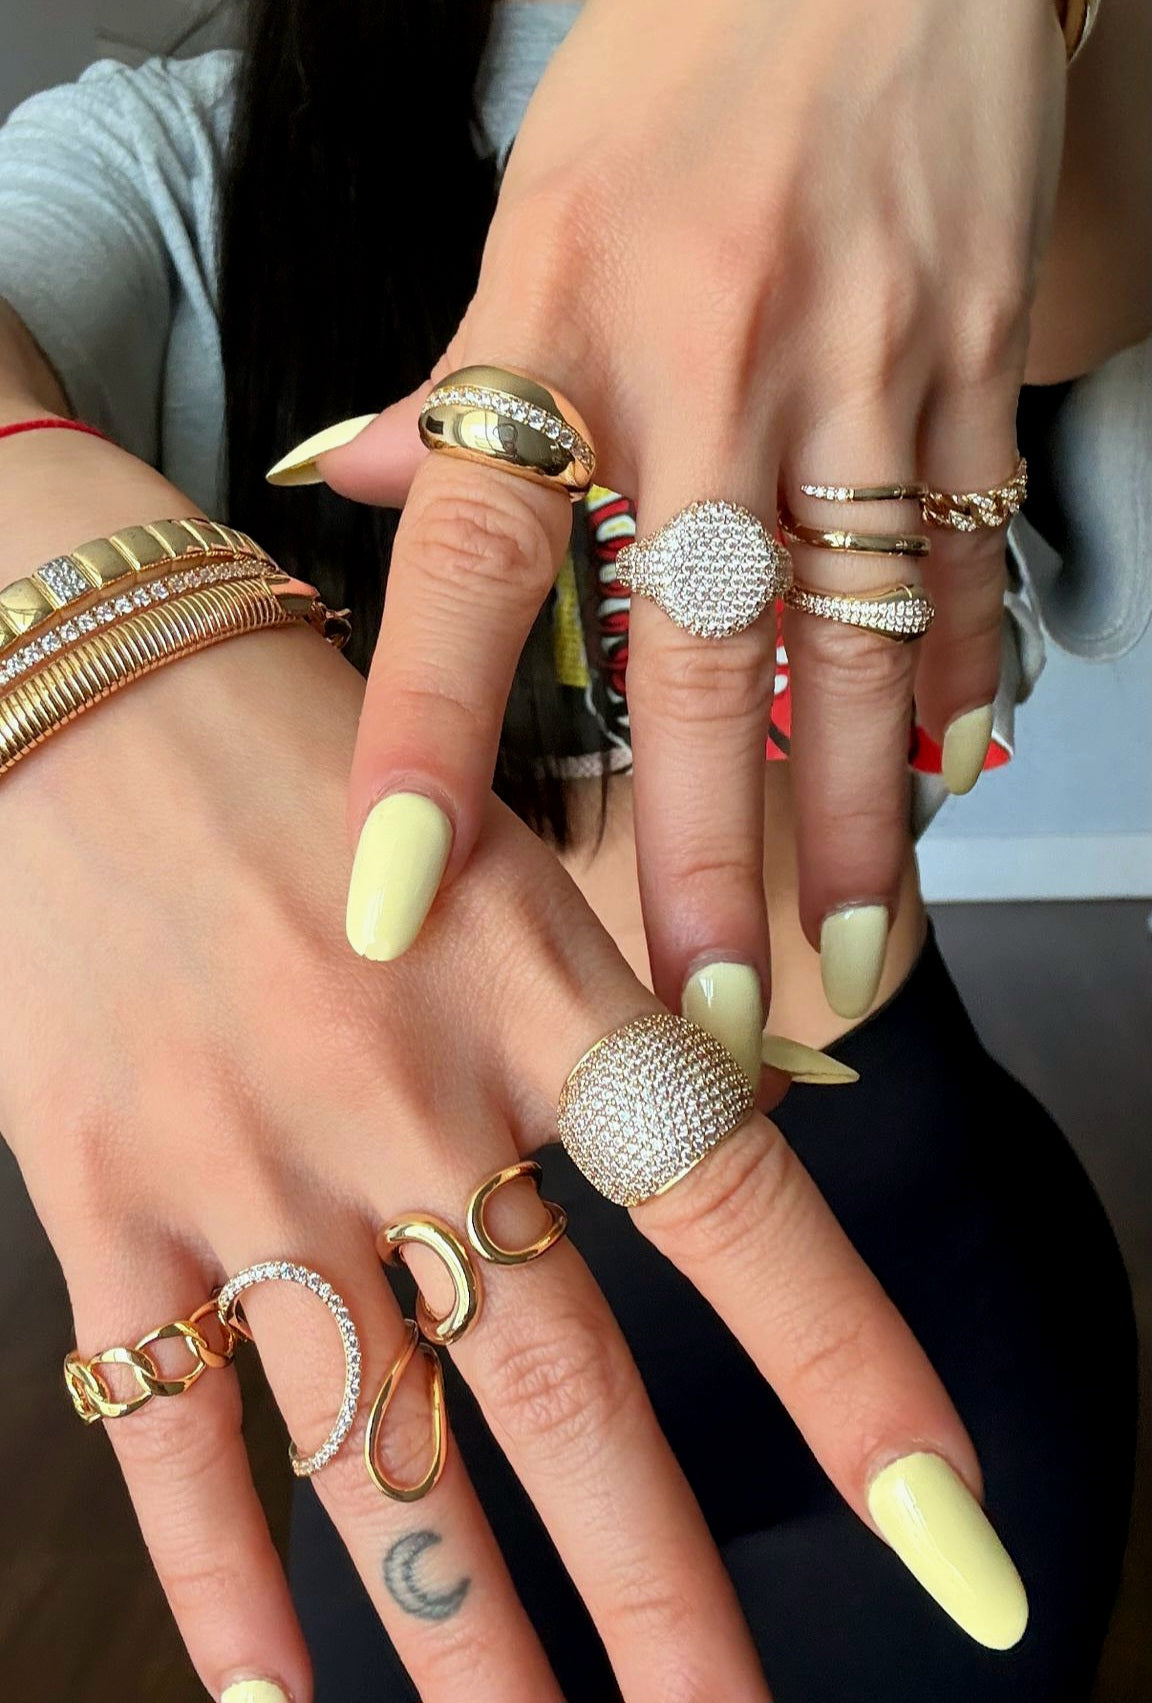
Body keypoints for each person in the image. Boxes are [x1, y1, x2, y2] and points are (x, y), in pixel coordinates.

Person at [0, 2, 1144, 1700]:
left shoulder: (1022, 113)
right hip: (435, 1356)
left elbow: (1096, 254)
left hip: (931, 1238)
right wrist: (55, 604)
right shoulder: (179, 154)